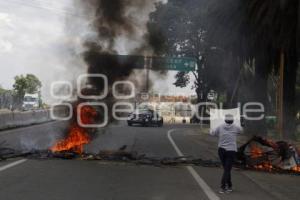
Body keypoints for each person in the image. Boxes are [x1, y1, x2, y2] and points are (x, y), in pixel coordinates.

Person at [210, 114, 243, 194]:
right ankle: (223, 187)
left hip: (221, 150)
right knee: (227, 169)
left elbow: (212, 133)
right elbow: (241, 131)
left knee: (226, 169)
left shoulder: (220, 126)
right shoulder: (236, 127)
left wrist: (211, 129)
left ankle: (229, 186)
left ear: (225, 120)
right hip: (231, 151)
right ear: (233, 120)